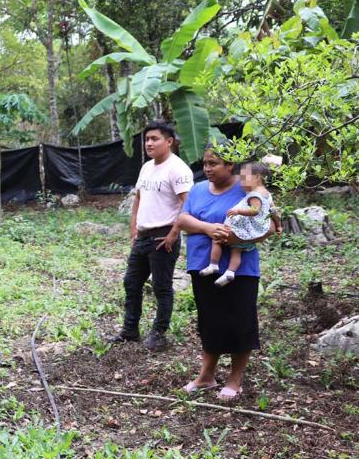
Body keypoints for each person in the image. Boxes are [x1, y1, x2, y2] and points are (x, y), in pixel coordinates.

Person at [178, 149, 276, 401]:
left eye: (214, 163)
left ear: (230, 164)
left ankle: (235, 379)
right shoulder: (198, 189)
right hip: (202, 263)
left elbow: (273, 226)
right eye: (205, 164)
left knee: (239, 321)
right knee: (209, 320)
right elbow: (183, 219)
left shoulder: (247, 187)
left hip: (240, 268)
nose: (208, 168)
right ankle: (207, 376)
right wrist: (210, 228)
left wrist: (237, 237)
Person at [109, 121, 194, 351]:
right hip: (143, 236)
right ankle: (130, 330)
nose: (149, 143)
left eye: (154, 138)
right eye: (147, 139)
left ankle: (159, 333)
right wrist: (134, 229)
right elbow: (138, 198)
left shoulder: (178, 169)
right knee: (131, 283)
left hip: (163, 237)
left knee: (162, 287)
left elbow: (189, 205)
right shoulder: (146, 167)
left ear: (169, 142)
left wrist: (174, 234)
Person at [200, 162, 280, 286]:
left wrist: (238, 211)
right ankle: (230, 273)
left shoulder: (254, 195)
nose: (241, 182)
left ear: (257, 177)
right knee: (236, 250)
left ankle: (213, 264)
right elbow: (274, 211)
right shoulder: (267, 194)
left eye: (243, 178)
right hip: (256, 230)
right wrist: (278, 224)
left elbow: (254, 210)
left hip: (246, 229)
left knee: (217, 238)